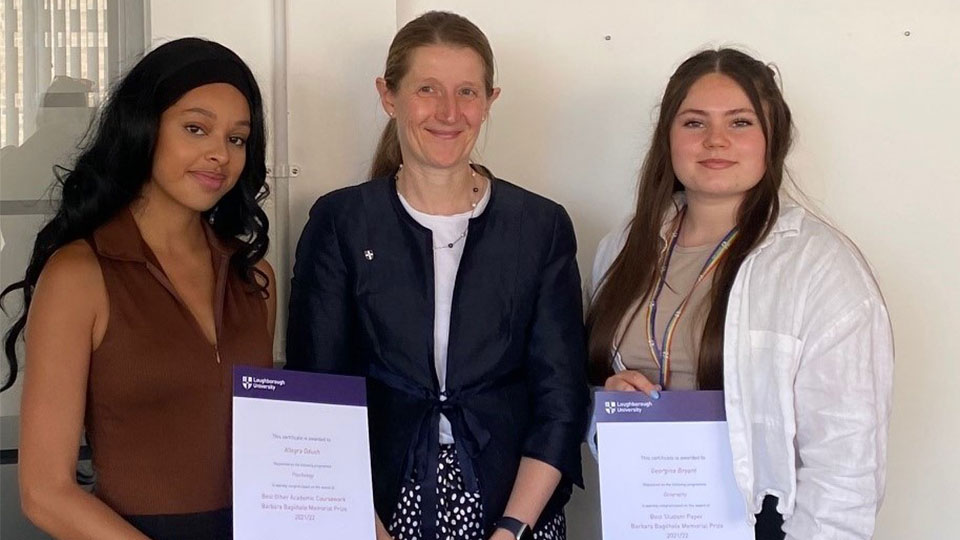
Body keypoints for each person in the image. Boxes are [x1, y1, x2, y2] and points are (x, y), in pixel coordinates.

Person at [286, 11, 588, 540]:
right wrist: (367, 526)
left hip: (516, 508)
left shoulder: (539, 227)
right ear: (388, 95)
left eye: (467, 92)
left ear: (490, 101)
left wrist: (512, 529)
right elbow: (319, 393)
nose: (450, 112)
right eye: (427, 89)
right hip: (372, 509)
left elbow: (559, 398)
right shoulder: (341, 222)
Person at [586, 48, 893, 540]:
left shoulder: (820, 269)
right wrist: (608, 405)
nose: (715, 141)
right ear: (667, 138)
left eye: (740, 122)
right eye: (693, 123)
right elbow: (588, 396)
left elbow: (846, 467)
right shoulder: (622, 249)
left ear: (775, 139)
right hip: (647, 520)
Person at [1, 37, 275, 539]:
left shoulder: (253, 276)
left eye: (237, 139)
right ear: (145, 128)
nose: (219, 154)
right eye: (196, 129)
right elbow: (44, 492)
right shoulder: (79, 275)